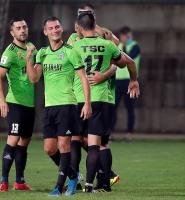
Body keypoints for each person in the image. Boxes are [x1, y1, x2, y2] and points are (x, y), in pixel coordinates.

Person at [73, 12, 139, 193]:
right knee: (96, 143)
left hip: (78, 99)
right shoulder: (108, 45)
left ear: (79, 27)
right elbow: (128, 62)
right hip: (100, 99)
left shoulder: (74, 47)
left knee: (75, 141)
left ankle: (74, 182)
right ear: (95, 26)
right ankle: (92, 184)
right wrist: (133, 80)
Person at [26, 16, 92, 196]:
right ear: (45, 32)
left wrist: (86, 103)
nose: (54, 30)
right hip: (49, 107)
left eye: (57, 27)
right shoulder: (42, 53)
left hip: (67, 105)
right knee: (49, 148)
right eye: (51, 28)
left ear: (61, 29)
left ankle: (58, 187)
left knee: (64, 146)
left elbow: (83, 79)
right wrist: (28, 58)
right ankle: (73, 175)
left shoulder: (71, 52)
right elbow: (34, 78)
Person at [67, 4, 120, 192]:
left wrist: (103, 76)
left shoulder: (104, 36)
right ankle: (102, 176)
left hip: (102, 93)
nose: (83, 17)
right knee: (83, 139)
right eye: (80, 14)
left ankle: (103, 179)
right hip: (82, 96)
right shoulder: (72, 39)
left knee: (98, 142)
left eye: (86, 14)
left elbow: (117, 58)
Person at [0, 17, 37, 192]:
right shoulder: (9, 52)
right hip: (15, 103)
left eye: (24, 27)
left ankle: (20, 181)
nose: (23, 30)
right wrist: (2, 99)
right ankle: (4, 181)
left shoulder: (32, 48)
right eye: (18, 28)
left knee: (24, 141)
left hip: (29, 105)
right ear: (12, 33)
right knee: (13, 139)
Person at [113, 26, 141, 142]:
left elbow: (128, 58)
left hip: (130, 81)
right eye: (124, 36)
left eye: (128, 36)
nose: (126, 38)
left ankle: (129, 134)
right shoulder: (116, 46)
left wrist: (124, 45)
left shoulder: (134, 46)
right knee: (112, 108)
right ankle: (110, 133)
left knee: (130, 108)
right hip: (117, 80)